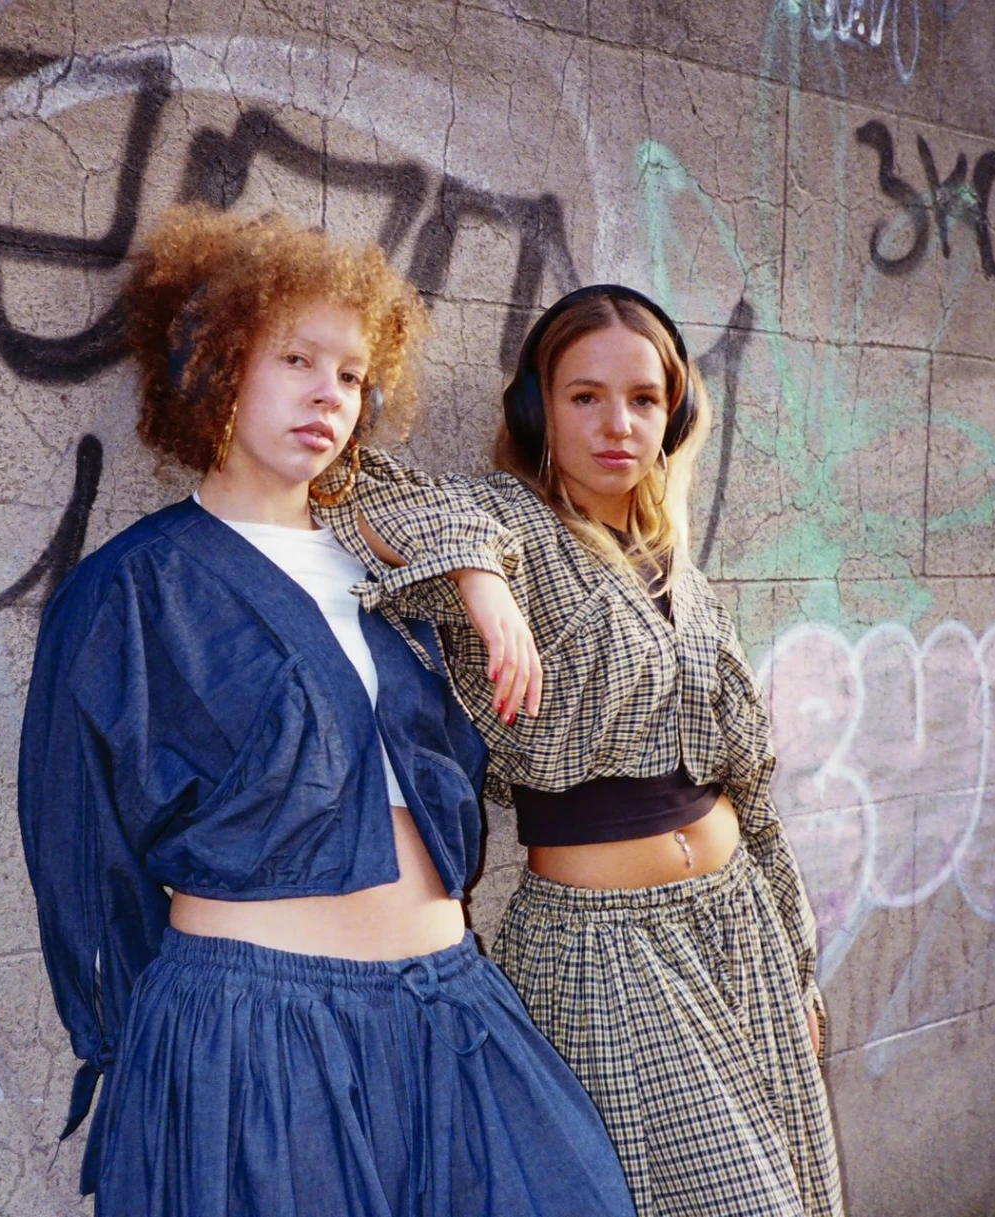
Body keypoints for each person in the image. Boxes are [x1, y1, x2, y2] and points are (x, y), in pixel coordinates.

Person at [16, 207, 635, 1217]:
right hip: (252, 1025)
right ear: (213, 367)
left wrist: (475, 576)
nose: (326, 395)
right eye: (295, 358)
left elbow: (468, 527)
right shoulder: (130, 589)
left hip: (447, 1008)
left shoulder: (398, 570)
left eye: (350, 374)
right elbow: (81, 854)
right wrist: (141, 1049)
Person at [348, 285, 845, 1217]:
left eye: (644, 399)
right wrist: (483, 586)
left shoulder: (680, 570)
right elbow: (351, 492)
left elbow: (751, 790)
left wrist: (798, 962)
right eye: (585, 396)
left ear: (675, 416)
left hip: (737, 926)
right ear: (540, 410)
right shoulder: (509, 522)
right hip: (605, 951)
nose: (619, 424)